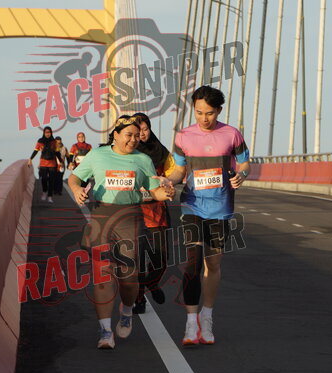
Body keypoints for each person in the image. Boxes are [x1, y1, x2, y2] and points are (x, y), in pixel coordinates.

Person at [68, 115, 174, 349]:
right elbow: (75, 177)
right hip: (102, 217)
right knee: (103, 275)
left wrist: (165, 193)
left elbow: (154, 191)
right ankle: (105, 331)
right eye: (128, 135)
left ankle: (126, 311)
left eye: (137, 136)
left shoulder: (143, 160)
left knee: (128, 278)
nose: (133, 140)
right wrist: (76, 190)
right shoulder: (97, 155)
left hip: (130, 219)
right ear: (115, 135)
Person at [167, 85, 250, 347]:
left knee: (212, 264)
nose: (204, 118)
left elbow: (245, 163)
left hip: (221, 208)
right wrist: (168, 181)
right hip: (192, 206)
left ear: (219, 111)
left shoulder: (232, 134)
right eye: (199, 112)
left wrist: (241, 175)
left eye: (210, 113)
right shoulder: (183, 136)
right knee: (192, 263)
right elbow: (179, 171)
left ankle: (207, 315)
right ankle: (191, 322)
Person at [133, 112, 177, 314]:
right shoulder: (126, 153)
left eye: (145, 129)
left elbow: (174, 173)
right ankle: (139, 299)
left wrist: (168, 184)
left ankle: (152, 283)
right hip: (134, 211)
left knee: (161, 258)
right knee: (139, 259)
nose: (142, 134)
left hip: (157, 211)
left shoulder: (161, 151)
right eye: (138, 130)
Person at [28, 126, 63, 203]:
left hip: (52, 163)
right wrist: (30, 159)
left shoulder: (54, 142)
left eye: (49, 132)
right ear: (44, 133)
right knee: (43, 179)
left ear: (51, 133)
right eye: (46, 132)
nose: (47, 134)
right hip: (43, 163)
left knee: (51, 180)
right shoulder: (40, 141)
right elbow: (36, 150)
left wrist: (60, 162)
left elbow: (57, 153)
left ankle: (50, 196)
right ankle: (44, 192)